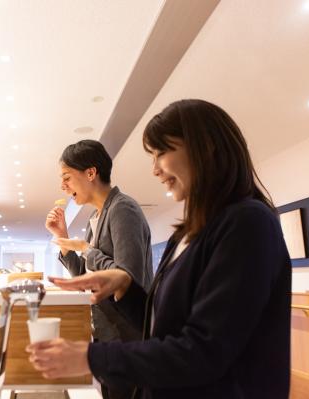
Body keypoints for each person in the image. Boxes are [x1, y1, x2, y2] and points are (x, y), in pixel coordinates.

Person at [30, 100, 291, 398]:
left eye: (161, 153)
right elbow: (162, 322)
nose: (154, 169)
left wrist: (90, 357)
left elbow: (205, 350)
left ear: (204, 148)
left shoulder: (248, 222)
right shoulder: (187, 233)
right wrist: (124, 286)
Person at [45, 139, 153, 399]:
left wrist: (85, 248)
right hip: (109, 334)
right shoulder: (96, 217)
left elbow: (128, 278)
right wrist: (65, 240)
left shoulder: (122, 209)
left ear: (91, 173)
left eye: (67, 177)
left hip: (128, 337)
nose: (63, 185)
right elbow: (87, 277)